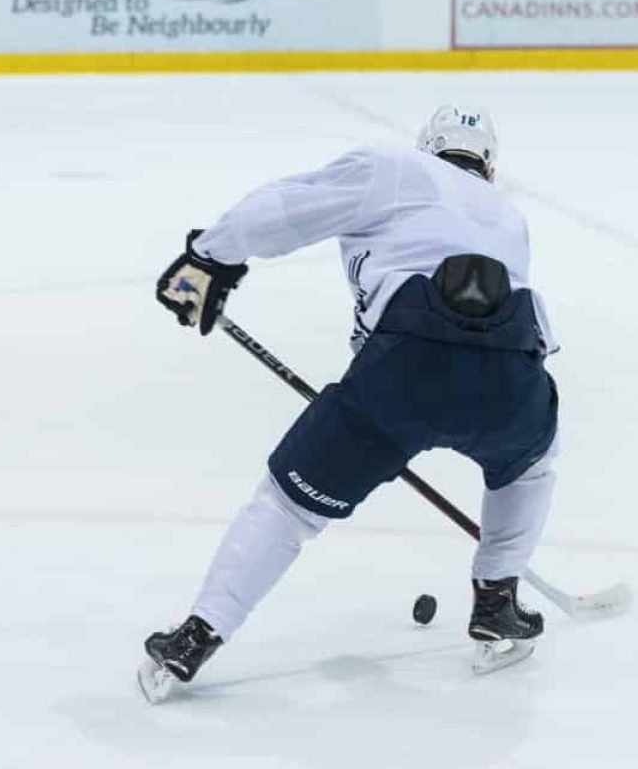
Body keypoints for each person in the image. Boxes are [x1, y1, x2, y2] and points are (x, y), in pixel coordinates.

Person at [140, 105, 559, 701]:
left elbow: (284, 210)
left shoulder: (394, 168)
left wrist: (210, 257)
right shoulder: (509, 217)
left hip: (398, 379)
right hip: (511, 383)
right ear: (488, 167)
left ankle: (195, 638)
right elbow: (533, 334)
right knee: (530, 463)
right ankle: (498, 600)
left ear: (427, 146)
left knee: (288, 507)